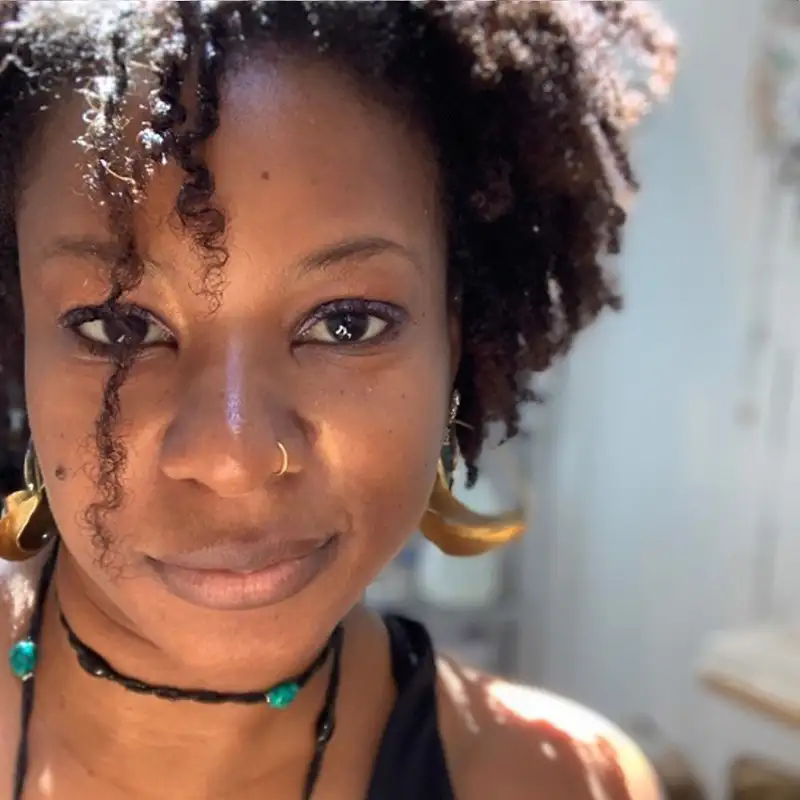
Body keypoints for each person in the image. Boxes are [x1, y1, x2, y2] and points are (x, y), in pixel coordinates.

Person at [0, 2, 677, 798]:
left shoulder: (560, 782)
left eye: (347, 322)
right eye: (119, 326)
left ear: (454, 342)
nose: (233, 458)